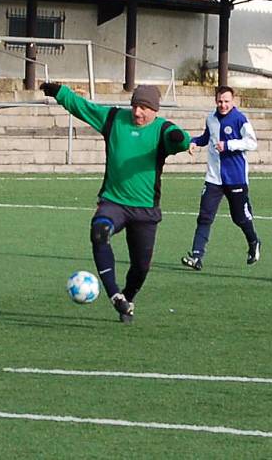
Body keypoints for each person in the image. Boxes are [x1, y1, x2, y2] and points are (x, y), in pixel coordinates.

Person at [40, 82, 190, 323]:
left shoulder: (163, 129)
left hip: (145, 209)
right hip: (114, 202)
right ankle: (114, 294)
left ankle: (127, 298)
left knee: (141, 267)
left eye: (143, 108)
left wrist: (181, 140)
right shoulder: (114, 118)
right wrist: (59, 92)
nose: (137, 112)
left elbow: (180, 139)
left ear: (155, 110)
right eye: (135, 106)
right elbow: (83, 108)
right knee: (99, 231)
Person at [181, 85, 260, 271]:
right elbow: (206, 138)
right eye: (220, 101)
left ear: (233, 101)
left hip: (236, 178)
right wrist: (193, 142)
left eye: (226, 101)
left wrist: (229, 145)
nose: (223, 105)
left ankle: (254, 242)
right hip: (214, 178)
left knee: (239, 218)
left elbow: (252, 143)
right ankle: (197, 256)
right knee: (204, 217)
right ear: (215, 101)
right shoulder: (211, 118)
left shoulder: (240, 119)